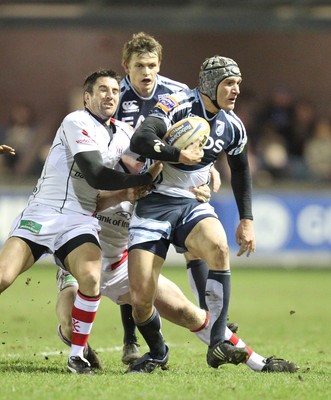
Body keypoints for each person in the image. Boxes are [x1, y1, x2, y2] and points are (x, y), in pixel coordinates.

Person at [0, 69, 161, 375]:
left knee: (90, 277)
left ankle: (77, 356)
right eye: (102, 90)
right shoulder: (76, 121)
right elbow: (96, 174)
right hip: (42, 213)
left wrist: (198, 176)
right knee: (3, 276)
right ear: (88, 98)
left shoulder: (126, 134)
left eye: (114, 90)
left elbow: (153, 164)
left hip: (80, 218)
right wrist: (140, 179)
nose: (109, 95)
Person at [56, 185, 298, 374]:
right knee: (69, 328)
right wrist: (124, 192)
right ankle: (83, 349)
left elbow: (185, 193)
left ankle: (259, 362)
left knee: (188, 313)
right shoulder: (96, 173)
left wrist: (201, 185)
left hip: (122, 268)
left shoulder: (155, 189)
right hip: (81, 269)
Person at [126, 55, 256, 373]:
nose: (236, 90)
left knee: (219, 247)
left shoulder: (233, 126)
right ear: (211, 85)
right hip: (153, 203)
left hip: (190, 204)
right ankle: (157, 351)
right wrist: (176, 154)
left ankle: (217, 343)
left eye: (238, 83)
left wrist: (247, 219)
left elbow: (240, 169)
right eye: (229, 83)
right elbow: (141, 139)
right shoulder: (176, 103)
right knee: (141, 298)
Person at [114, 31, 224, 365]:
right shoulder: (111, 95)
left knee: (195, 246)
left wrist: (209, 173)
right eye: (139, 66)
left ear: (159, 65)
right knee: (131, 261)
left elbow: (202, 135)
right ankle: (130, 339)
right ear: (126, 67)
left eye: (152, 65)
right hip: (127, 185)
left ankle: (211, 319)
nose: (146, 72)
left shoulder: (178, 93)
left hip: (173, 186)